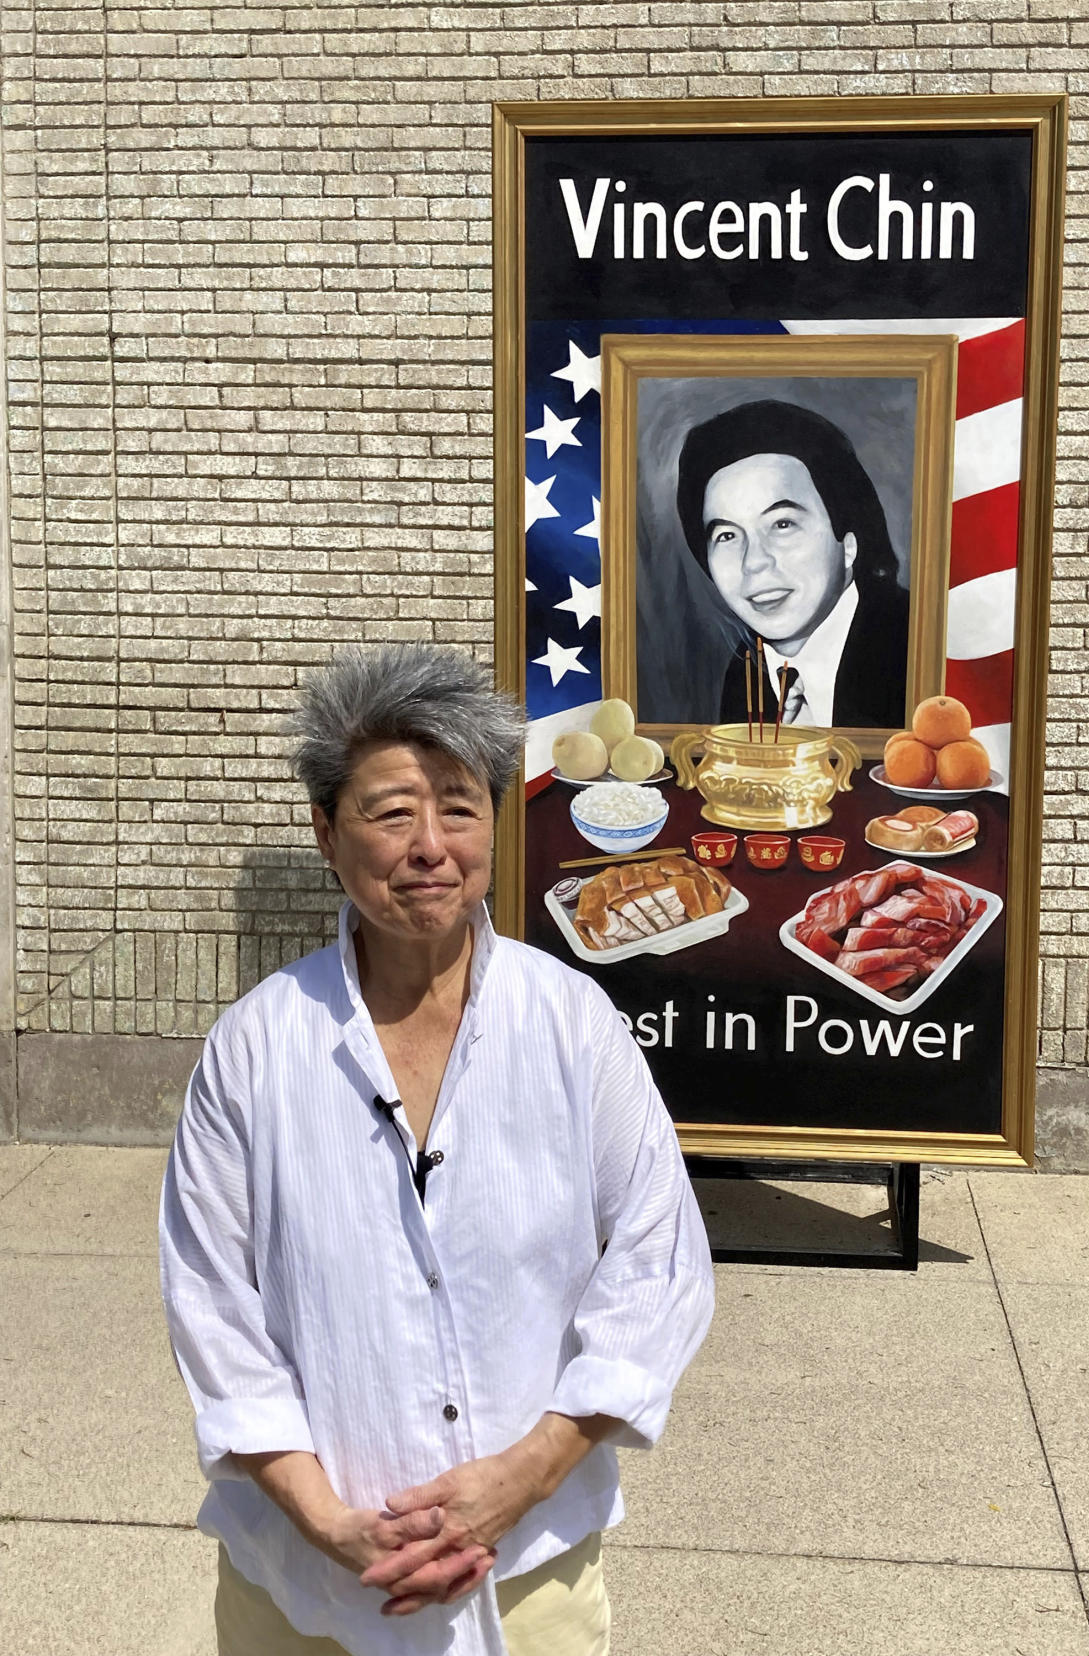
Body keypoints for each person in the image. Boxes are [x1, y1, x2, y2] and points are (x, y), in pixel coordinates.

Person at [159, 641, 715, 1656]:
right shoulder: (255, 1047)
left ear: (495, 828)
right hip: (301, 1588)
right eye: (389, 811)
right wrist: (327, 1519)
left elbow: (657, 1263)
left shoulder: (571, 1024)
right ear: (327, 834)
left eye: (458, 806)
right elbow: (211, 1306)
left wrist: (525, 1476)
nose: (428, 844)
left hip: (529, 1574)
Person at [675, 398, 910, 730]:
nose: (753, 563)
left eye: (782, 524)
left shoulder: (913, 652)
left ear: (849, 542)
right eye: (727, 536)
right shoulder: (744, 676)